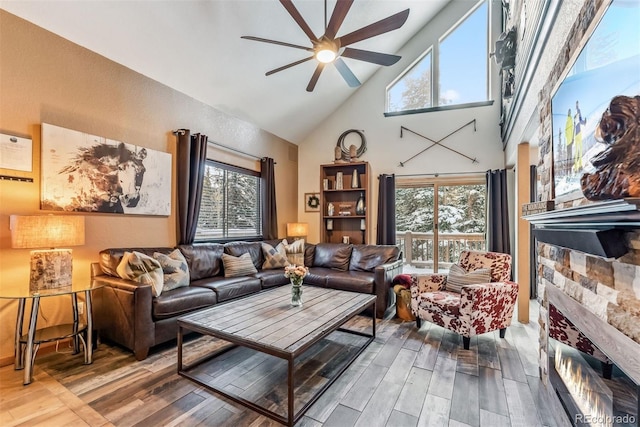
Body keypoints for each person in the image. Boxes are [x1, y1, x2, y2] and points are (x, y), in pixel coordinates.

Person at [574, 100, 587, 172]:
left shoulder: (575, 116)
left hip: (577, 134)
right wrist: (584, 122)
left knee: (578, 151)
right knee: (579, 150)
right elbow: (581, 121)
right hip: (578, 134)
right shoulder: (578, 113)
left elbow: (580, 121)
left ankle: (578, 167)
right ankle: (578, 166)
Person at [565, 108, 574, 175]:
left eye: (570, 111)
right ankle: (568, 171)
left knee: (570, 156)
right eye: (569, 112)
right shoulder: (568, 120)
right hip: (568, 141)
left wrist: (572, 138)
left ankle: (569, 171)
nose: (569, 113)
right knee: (569, 157)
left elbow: (571, 130)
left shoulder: (570, 120)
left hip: (569, 141)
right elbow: (567, 131)